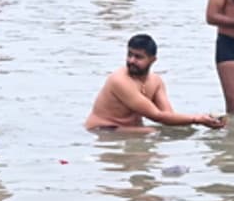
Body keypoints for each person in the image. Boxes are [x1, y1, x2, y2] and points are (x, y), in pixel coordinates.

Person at [84, 35, 226, 132]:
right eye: (129, 55)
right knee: (154, 133)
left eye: (138, 57)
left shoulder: (156, 81)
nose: (131, 61)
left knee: (181, 132)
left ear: (153, 60)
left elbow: (168, 115)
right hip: (103, 129)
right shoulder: (119, 80)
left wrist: (208, 121)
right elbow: (157, 116)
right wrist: (197, 119)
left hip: (129, 129)